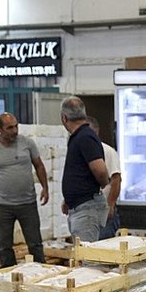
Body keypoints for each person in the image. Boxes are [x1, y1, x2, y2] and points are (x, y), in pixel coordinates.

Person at [0, 112, 49, 267]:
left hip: (27, 204)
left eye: (16, 126)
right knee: (4, 247)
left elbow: (39, 165)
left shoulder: (28, 143)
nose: (15, 131)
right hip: (2, 205)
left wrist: (45, 188)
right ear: (0, 129)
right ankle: (9, 276)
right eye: (10, 128)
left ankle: (42, 274)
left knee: (35, 244)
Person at [59, 97, 110, 242]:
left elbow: (100, 170)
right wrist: (70, 198)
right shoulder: (79, 137)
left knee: (89, 259)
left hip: (87, 209)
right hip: (80, 206)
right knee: (83, 255)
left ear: (64, 117)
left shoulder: (85, 137)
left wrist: (103, 183)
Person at [85, 116, 122, 240]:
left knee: (102, 246)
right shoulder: (78, 151)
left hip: (102, 209)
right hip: (85, 210)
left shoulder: (108, 152)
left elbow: (116, 180)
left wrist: (110, 204)